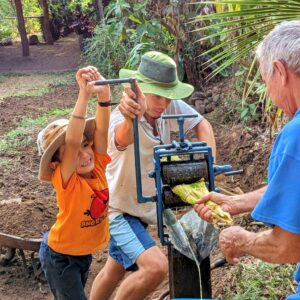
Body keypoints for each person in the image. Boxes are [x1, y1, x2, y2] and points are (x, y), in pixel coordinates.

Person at [89, 51, 217, 300]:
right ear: (140, 87)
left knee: (113, 271)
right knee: (155, 268)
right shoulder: (121, 117)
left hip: (144, 209)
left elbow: (203, 125)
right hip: (120, 211)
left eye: (168, 97)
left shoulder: (169, 106)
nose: (163, 103)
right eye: (157, 95)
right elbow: (122, 137)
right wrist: (129, 117)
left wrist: (208, 166)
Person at [194, 20, 300, 300]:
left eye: (266, 83)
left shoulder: (296, 136)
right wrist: (235, 203)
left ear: (280, 71)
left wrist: (242, 240)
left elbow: (288, 247)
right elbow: (293, 188)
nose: (270, 95)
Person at [37, 66, 111, 300]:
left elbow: (101, 130)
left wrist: (104, 96)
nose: (84, 154)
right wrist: (84, 94)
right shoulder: (65, 179)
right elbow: (72, 141)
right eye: (72, 151)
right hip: (60, 256)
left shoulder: (97, 166)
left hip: (81, 253)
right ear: (56, 164)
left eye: (85, 145)